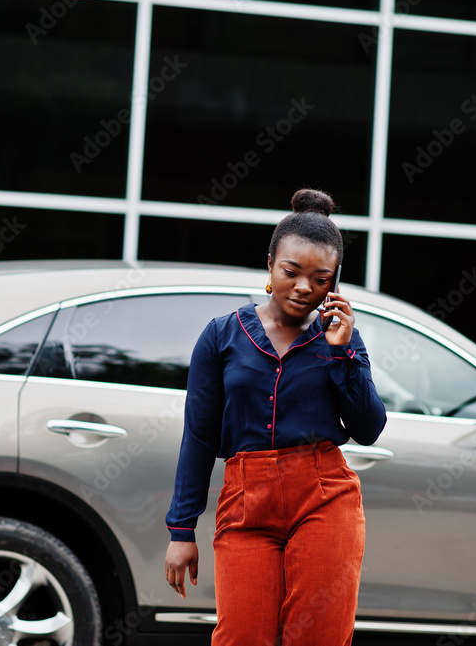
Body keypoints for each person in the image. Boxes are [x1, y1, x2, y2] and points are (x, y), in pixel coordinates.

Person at [163, 188, 387, 645]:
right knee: (242, 636)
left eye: (321, 278)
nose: (305, 287)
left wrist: (343, 353)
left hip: (324, 497)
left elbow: (368, 430)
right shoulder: (221, 336)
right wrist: (181, 530)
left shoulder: (341, 339)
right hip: (246, 501)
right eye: (292, 271)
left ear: (335, 283)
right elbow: (200, 435)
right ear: (270, 265)